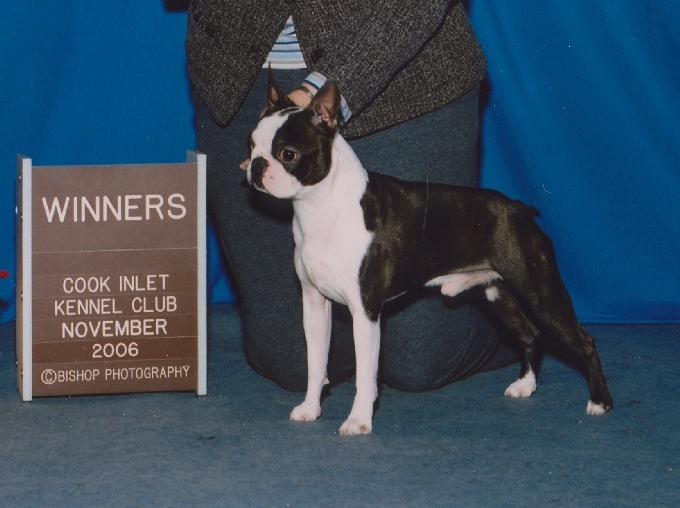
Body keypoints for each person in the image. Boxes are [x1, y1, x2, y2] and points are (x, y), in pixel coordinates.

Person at [185, 0, 516, 393]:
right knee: (293, 363)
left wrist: (314, 94)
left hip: (400, 66)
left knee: (417, 361)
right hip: (244, 72)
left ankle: (516, 310)